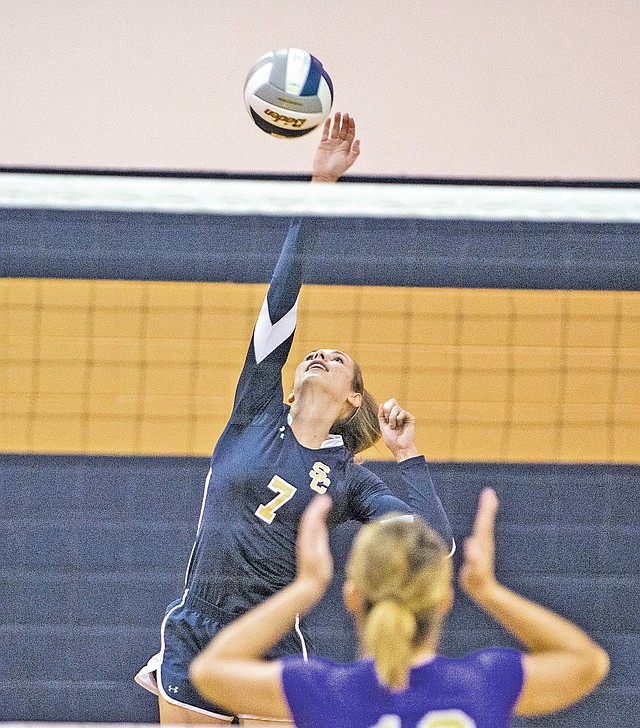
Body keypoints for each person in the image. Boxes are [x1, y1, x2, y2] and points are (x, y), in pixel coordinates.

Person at [135, 112, 454, 724]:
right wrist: (317, 189)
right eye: (315, 350)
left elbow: (432, 544)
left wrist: (407, 456)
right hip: (195, 626)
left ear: (353, 398)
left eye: (337, 360)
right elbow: (282, 298)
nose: (319, 354)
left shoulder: (349, 478)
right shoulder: (255, 412)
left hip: (272, 642)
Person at [190, 489, 610, 728]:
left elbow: (209, 671)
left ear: (352, 596)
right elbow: (587, 662)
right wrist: (488, 590)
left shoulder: (322, 690)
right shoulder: (485, 682)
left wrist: (306, 586)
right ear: (444, 601)